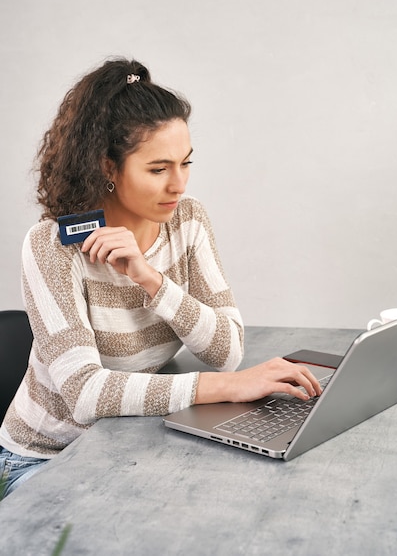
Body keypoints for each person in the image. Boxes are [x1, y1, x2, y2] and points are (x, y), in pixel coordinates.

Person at [0, 57, 322, 498]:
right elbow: (86, 395)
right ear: (107, 168)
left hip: (126, 441)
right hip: (46, 458)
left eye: (185, 163)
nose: (179, 184)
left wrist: (151, 279)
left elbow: (226, 350)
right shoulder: (52, 246)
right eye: (158, 169)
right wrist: (227, 388)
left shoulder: (187, 221)